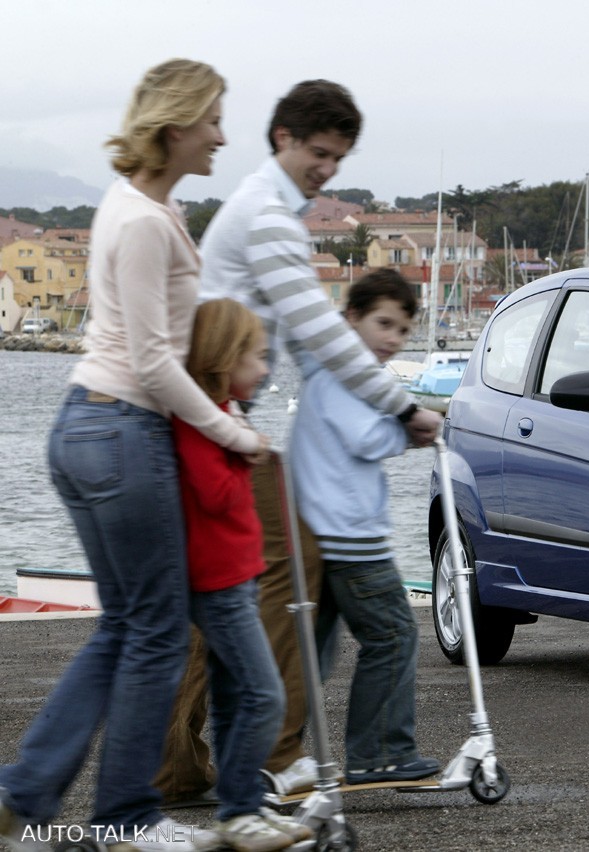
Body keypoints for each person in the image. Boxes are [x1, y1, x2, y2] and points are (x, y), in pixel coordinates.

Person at [0, 59, 268, 852]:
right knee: (156, 630)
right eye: (213, 120)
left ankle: (25, 795)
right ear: (176, 124)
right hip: (125, 431)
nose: (221, 135)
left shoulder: (136, 204)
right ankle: (125, 818)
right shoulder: (148, 221)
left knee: (127, 624)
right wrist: (232, 432)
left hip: (84, 428)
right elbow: (153, 362)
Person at [157, 79, 442, 803]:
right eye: (319, 153)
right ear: (282, 136)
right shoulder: (268, 218)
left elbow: (307, 339)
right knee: (290, 571)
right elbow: (322, 332)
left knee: (222, 597)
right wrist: (403, 408)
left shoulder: (264, 210)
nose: (327, 170)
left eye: (338, 159)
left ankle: (181, 763)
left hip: (219, 415)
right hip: (215, 415)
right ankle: (275, 755)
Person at [173, 299, 312, 851]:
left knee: (239, 696)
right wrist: (246, 450)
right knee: (261, 695)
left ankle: (241, 808)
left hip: (234, 577)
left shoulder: (220, 414)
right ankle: (240, 806)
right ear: (223, 360)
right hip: (219, 583)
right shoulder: (208, 424)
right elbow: (215, 494)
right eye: (256, 357)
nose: (266, 368)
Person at [292, 268, 438, 782]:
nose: (392, 339)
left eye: (402, 330)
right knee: (393, 635)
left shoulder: (327, 373)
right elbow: (365, 439)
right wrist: (410, 431)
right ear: (351, 317)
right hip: (350, 537)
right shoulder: (341, 375)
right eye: (383, 323)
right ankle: (379, 752)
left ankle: (276, 756)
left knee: (313, 652)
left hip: (323, 532)